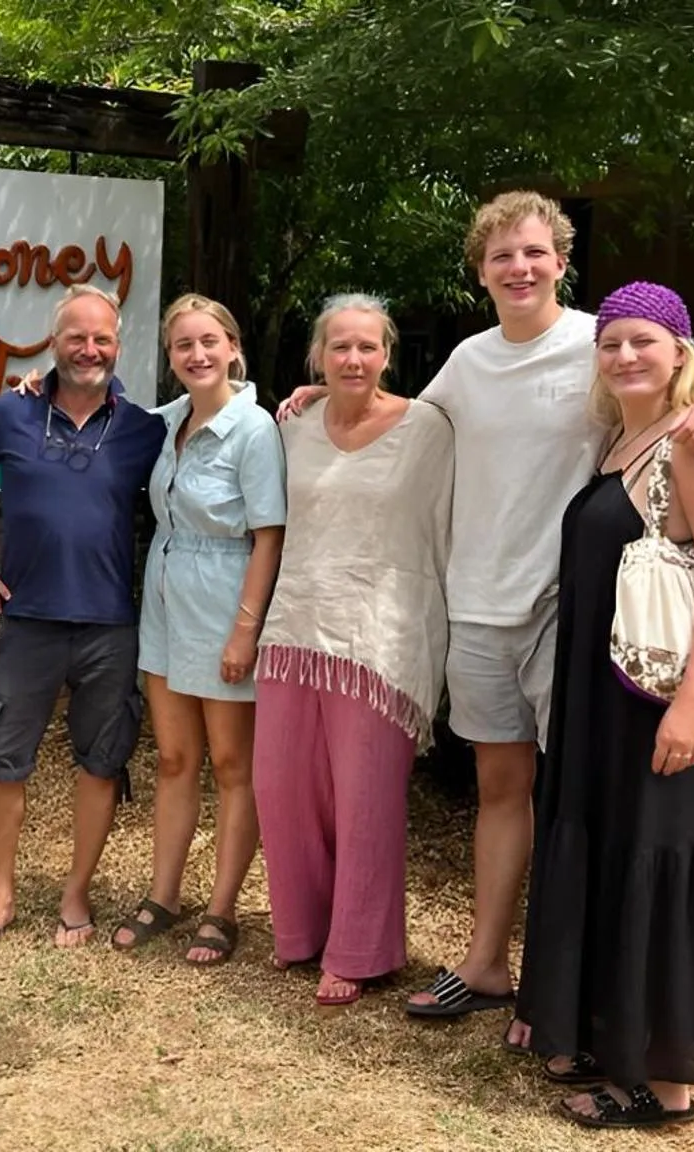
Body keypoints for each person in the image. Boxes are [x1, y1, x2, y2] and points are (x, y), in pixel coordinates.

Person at [279, 192, 694, 1022]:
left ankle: (560, 986)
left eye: (533, 252)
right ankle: (486, 964)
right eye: (501, 256)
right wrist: (324, 395)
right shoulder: (468, 361)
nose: (518, 268)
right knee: (500, 790)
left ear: (561, 261)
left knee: (573, 799)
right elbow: (400, 419)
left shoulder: (599, 346)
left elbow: (676, 409)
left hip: (569, 610)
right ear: (480, 271)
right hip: (476, 607)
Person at [517, 282, 694, 1130]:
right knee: (607, 850)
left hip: (660, 698)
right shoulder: (621, 440)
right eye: (610, 342)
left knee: (655, 856)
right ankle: (602, 1037)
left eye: (643, 341)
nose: (623, 356)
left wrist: (692, 703)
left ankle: (663, 1087)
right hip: (601, 695)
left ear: (680, 352)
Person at [0, 284, 167, 958]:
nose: (89, 349)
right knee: (3, 761)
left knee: (102, 761)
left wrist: (305, 399)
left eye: (101, 338)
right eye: (76, 337)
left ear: (117, 346)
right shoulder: (12, 412)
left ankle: (76, 894)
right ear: (53, 342)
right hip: (28, 622)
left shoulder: (145, 428)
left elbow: (215, 421)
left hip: (110, 627)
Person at [253, 295, 453, 1006]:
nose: (354, 358)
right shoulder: (291, 425)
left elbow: (454, 522)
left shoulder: (428, 428)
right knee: (280, 788)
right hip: (296, 626)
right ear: (317, 355)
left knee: (365, 799)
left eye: (367, 346)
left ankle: (359, 950)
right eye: (339, 346)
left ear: (387, 354)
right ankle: (301, 931)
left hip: (381, 636)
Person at [103, 294, 286, 966]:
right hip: (165, 597)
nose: (198, 354)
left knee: (233, 765)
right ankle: (164, 895)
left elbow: (268, 536)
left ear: (233, 347)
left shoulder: (254, 428)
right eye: (184, 344)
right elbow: (93, 410)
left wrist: (245, 631)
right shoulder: (165, 421)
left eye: (210, 341)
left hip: (224, 597)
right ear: (170, 355)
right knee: (175, 759)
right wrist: (38, 390)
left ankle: (222, 908)